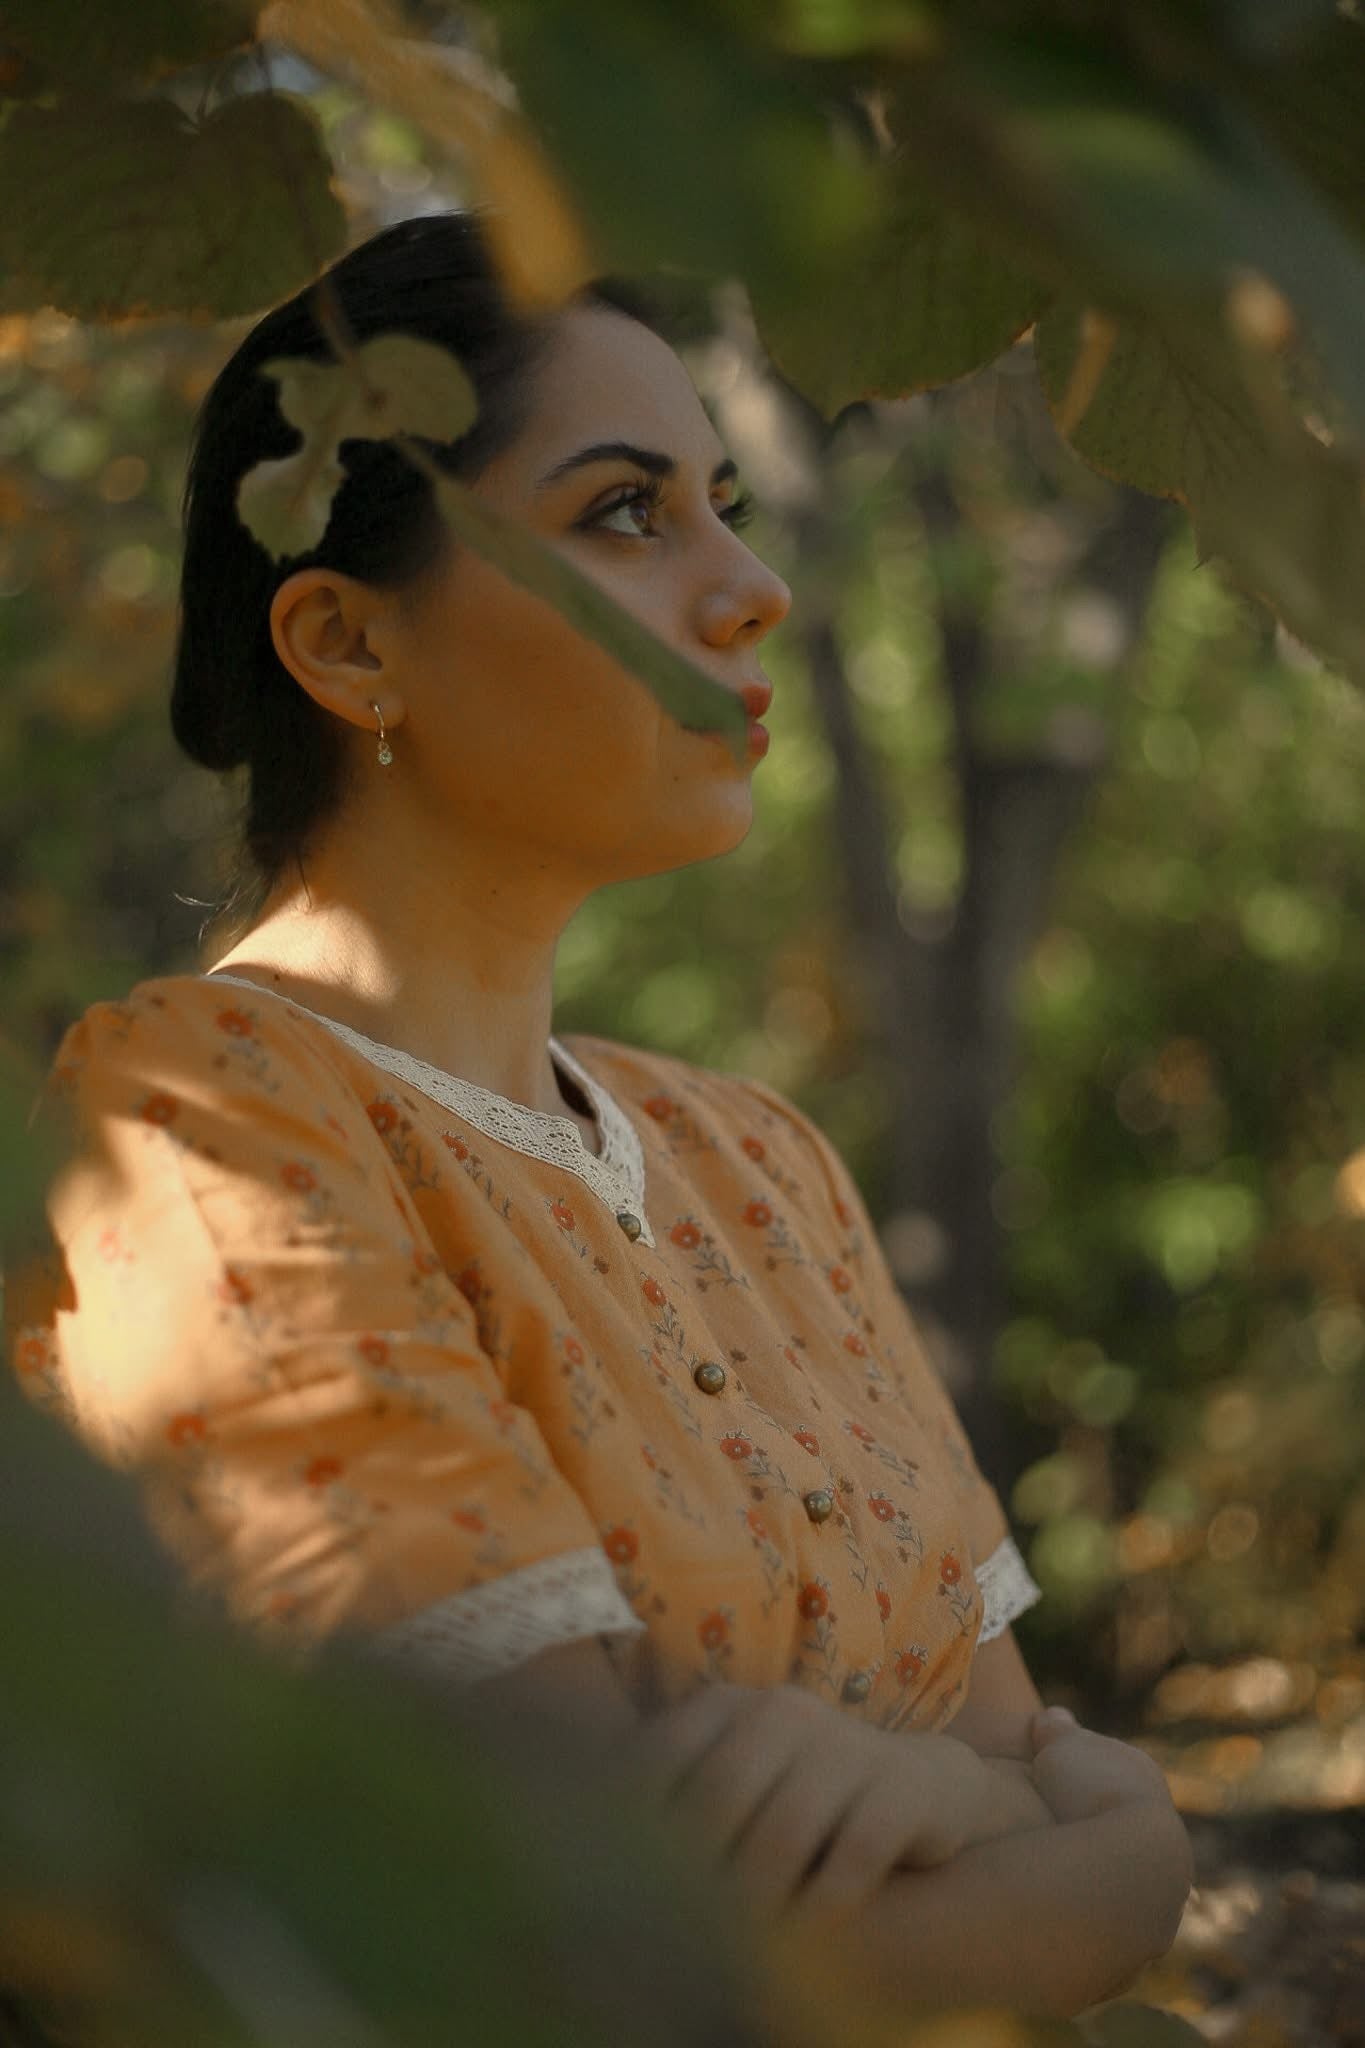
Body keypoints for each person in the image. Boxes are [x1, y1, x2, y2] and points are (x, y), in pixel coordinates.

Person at [6, 208, 1191, 2017]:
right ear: (345, 644)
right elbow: (555, 1942)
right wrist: (1120, 1858)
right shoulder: (202, 1113)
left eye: (730, 503)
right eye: (625, 513)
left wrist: (968, 1793)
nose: (750, 587)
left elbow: (988, 1738)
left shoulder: (757, 1158)